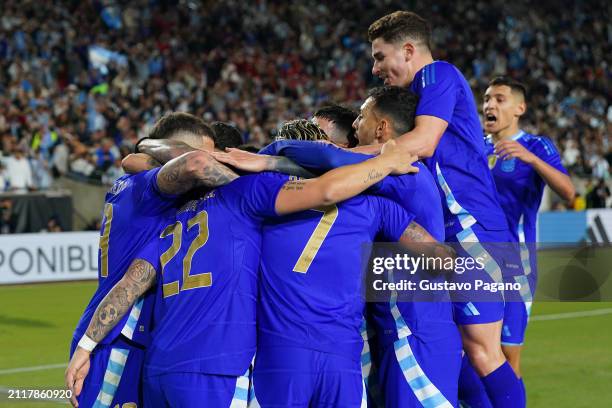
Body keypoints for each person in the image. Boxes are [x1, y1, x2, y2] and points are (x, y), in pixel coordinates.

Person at [65, 136, 421, 407]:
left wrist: (86, 345)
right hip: (218, 369)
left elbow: (131, 282)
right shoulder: (245, 193)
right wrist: (386, 162)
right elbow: (326, 190)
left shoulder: (171, 223)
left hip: (160, 370)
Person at [217, 87, 461, 407]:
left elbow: (325, 159)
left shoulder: (404, 171)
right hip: (377, 338)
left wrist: (268, 157)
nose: (355, 125)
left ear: (381, 128)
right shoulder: (374, 197)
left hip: (414, 334)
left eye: (361, 116)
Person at [367, 11, 523, 407]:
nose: (376, 68)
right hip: (450, 233)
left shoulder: (437, 75)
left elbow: (425, 140)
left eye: (380, 56)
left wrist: (339, 159)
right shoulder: (417, 95)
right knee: (462, 351)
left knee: (482, 350)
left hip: (472, 228)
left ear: (407, 49)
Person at [66, 112, 238, 408]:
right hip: (115, 338)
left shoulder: (133, 184)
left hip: (132, 338)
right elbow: (190, 165)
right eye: (205, 155)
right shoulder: (149, 190)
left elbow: (136, 160)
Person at [483, 76, 574, 402]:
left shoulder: (537, 146)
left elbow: (568, 191)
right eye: (487, 98)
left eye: (500, 99)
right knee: (474, 352)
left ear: (519, 108)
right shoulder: (478, 148)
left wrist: (530, 159)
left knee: (507, 357)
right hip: (474, 262)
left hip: (514, 264)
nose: (490, 105)